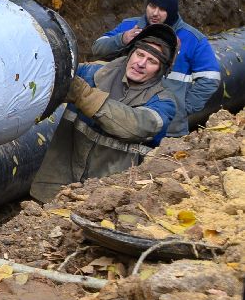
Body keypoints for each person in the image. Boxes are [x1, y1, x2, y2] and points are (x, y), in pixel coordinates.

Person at [30, 23, 182, 203]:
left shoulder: (163, 102)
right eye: (140, 54)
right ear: (131, 53)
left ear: (161, 70)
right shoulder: (93, 73)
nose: (141, 64)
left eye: (152, 61)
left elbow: (136, 126)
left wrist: (84, 95)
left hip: (108, 196)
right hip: (59, 181)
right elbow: (45, 73)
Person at [91, 0, 220, 136]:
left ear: (172, 13)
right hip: (117, 119)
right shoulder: (131, 26)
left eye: (162, 9)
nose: (155, 13)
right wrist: (121, 39)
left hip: (168, 129)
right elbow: (97, 49)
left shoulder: (193, 39)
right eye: (152, 6)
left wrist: (183, 108)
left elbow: (210, 79)